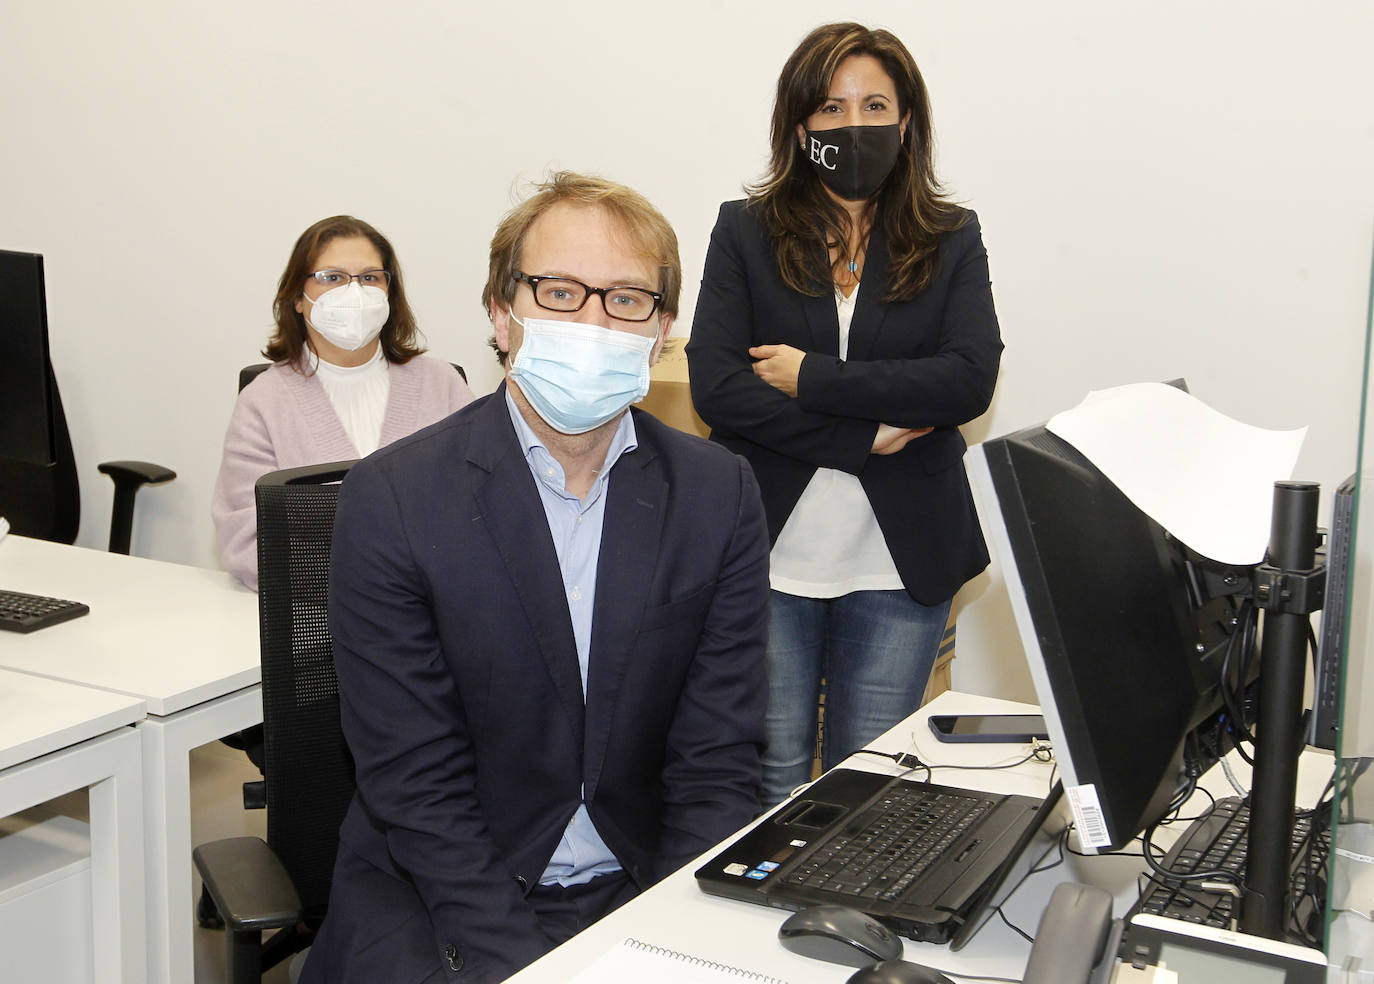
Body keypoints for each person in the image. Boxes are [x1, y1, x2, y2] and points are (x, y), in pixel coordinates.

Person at [300, 173, 771, 983]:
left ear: (662, 332)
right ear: (501, 313)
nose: (592, 322)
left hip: (639, 886)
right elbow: (417, 785)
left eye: (627, 299)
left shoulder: (716, 493)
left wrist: (674, 945)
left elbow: (717, 762)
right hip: (444, 898)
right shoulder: (394, 499)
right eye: (559, 292)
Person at [686, 22, 1003, 807]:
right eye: (831, 107)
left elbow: (967, 380)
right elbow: (718, 388)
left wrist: (811, 377)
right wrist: (864, 434)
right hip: (768, 552)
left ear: (906, 122)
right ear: (801, 126)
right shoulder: (745, 231)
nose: (852, 125)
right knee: (771, 778)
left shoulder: (951, 236)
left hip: (901, 558)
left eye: (874, 106)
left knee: (867, 786)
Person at [211, 215, 473, 590]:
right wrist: (364, 585)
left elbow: (478, 510)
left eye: (369, 278)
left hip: (431, 609)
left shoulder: (442, 384)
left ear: (389, 292)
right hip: (311, 610)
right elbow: (246, 541)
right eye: (332, 277)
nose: (354, 292)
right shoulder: (264, 401)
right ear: (297, 298)